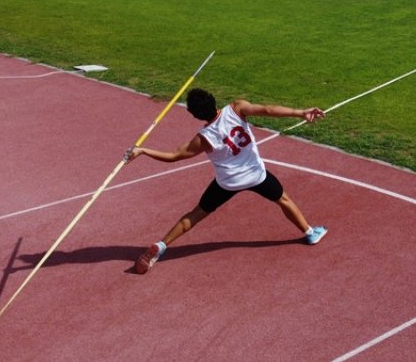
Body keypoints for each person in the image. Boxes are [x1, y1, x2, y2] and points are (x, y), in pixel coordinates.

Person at [126, 88, 328, 274]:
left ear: (195, 114)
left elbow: (174, 155)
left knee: (196, 214)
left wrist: (143, 150)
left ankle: (162, 245)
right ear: (213, 101)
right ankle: (310, 233)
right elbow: (268, 109)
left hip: (227, 183)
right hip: (256, 175)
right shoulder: (237, 108)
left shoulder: (203, 138)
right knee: (283, 199)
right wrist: (300, 112)